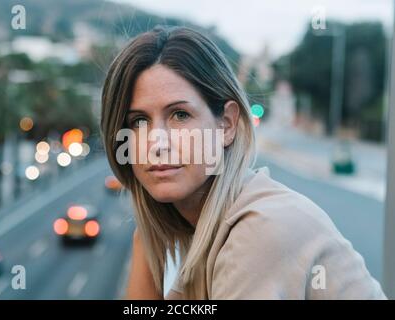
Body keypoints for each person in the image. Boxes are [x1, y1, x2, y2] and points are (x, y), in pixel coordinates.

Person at [100, 25, 386, 299]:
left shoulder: (258, 229)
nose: (157, 143)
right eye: (138, 121)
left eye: (180, 115)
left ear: (226, 124)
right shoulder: (205, 232)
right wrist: (146, 238)